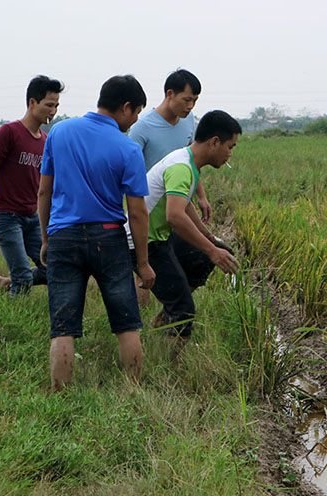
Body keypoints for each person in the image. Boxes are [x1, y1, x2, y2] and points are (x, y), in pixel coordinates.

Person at [38, 75, 155, 391]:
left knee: (62, 327)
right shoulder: (127, 148)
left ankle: (60, 394)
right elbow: (137, 212)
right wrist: (142, 263)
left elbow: (44, 193)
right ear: (126, 107)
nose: (133, 122)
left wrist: (48, 238)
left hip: (63, 237)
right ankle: (132, 389)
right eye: (136, 114)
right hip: (109, 239)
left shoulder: (59, 132)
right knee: (127, 323)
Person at [144, 110, 241, 347]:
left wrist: (210, 239)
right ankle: (170, 369)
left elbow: (184, 205)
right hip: (143, 241)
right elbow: (175, 216)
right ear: (214, 142)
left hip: (158, 235)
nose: (230, 154)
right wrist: (212, 250)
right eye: (230, 147)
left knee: (202, 256)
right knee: (185, 311)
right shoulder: (181, 167)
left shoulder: (188, 161)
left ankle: (168, 311)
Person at [0, 75, 64, 296]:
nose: (53, 111)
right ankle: (10, 325)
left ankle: (7, 281)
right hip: (6, 216)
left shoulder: (45, 140)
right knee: (24, 279)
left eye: (56, 105)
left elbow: (46, 186)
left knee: (54, 269)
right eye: (48, 105)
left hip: (33, 217)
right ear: (32, 103)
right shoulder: (9, 132)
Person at [127, 69, 212, 223]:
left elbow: (192, 160)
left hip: (180, 202)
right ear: (170, 94)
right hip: (153, 209)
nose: (190, 106)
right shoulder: (142, 126)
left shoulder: (188, 120)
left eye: (194, 100)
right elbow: (130, 172)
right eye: (186, 100)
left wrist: (201, 196)